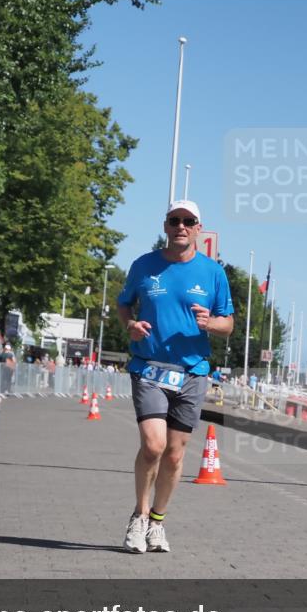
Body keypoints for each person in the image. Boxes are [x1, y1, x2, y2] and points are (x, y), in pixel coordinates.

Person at [116, 200, 234, 553]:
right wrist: (130, 326)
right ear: (165, 226)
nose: (181, 226)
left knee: (174, 456)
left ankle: (157, 522)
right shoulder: (144, 266)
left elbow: (228, 324)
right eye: (174, 220)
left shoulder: (213, 273)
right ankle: (138, 516)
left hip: (192, 372)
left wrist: (210, 323)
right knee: (153, 446)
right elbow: (124, 304)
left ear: (199, 228)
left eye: (188, 221)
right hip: (149, 367)